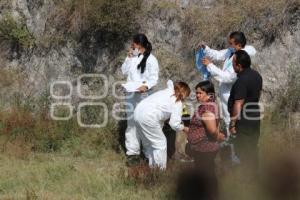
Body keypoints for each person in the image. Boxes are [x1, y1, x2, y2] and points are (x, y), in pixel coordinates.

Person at [200, 31, 256, 138]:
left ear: (239, 45)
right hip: (225, 94)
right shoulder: (232, 51)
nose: (229, 46)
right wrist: (206, 48)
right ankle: (231, 148)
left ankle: (235, 149)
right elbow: (218, 55)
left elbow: (228, 77)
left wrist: (210, 66)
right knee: (227, 121)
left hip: (232, 94)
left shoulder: (241, 59)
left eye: (231, 43)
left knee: (232, 122)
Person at [134, 80, 191, 169]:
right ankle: (159, 172)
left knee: (151, 144)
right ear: (184, 93)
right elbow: (174, 124)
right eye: (186, 95)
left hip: (137, 113)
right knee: (160, 144)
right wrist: (184, 128)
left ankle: (151, 168)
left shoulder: (166, 92)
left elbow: (161, 111)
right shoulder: (177, 101)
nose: (185, 98)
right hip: (148, 116)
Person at [121, 34, 159, 165]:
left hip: (144, 96)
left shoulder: (151, 59)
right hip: (131, 94)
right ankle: (132, 154)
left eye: (134, 44)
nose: (132, 46)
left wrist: (146, 86)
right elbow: (124, 72)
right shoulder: (132, 57)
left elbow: (154, 78)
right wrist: (128, 57)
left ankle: (148, 153)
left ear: (139, 44)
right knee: (131, 123)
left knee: (143, 123)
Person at [228, 50, 263, 172]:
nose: (232, 65)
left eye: (233, 62)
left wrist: (232, 124)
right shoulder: (256, 75)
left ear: (239, 65)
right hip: (254, 118)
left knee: (244, 151)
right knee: (252, 149)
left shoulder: (241, 81)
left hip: (243, 122)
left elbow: (238, 103)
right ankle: (254, 177)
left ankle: (248, 180)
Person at [184, 81, 225, 179]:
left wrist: (220, 137)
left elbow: (212, 131)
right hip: (200, 149)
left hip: (205, 149)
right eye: (196, 93)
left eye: (200, 93)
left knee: (207, 177)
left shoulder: (208, 108)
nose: (197, 95)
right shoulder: (205, 105)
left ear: (209, 94)